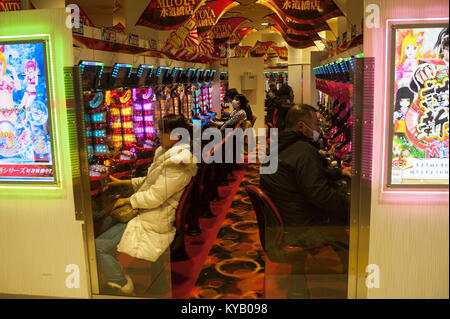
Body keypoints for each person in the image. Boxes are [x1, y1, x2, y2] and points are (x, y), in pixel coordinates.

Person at [95, 114, 198, 295]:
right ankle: (150, 279)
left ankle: (120, 284)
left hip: (154, 216)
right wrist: (125, 183)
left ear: (176, 136)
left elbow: (155, 196)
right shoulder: (168, 154)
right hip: (153, 210)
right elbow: (153, 181)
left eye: (162, 131)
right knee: (106, 224)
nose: (157, 134)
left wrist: (127, 200)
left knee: (98, 246)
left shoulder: (177, 162)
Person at [259, 105, 350, 298]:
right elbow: (320, 195)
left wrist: (339, 172)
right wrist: (350, 206)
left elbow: (306, 173)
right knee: (343, 222)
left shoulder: (279, 145)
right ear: (301, 127)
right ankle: (352, 282)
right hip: (299, 227)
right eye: (315, 124)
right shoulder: (304, 151)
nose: (318, 128)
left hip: (285, 220)